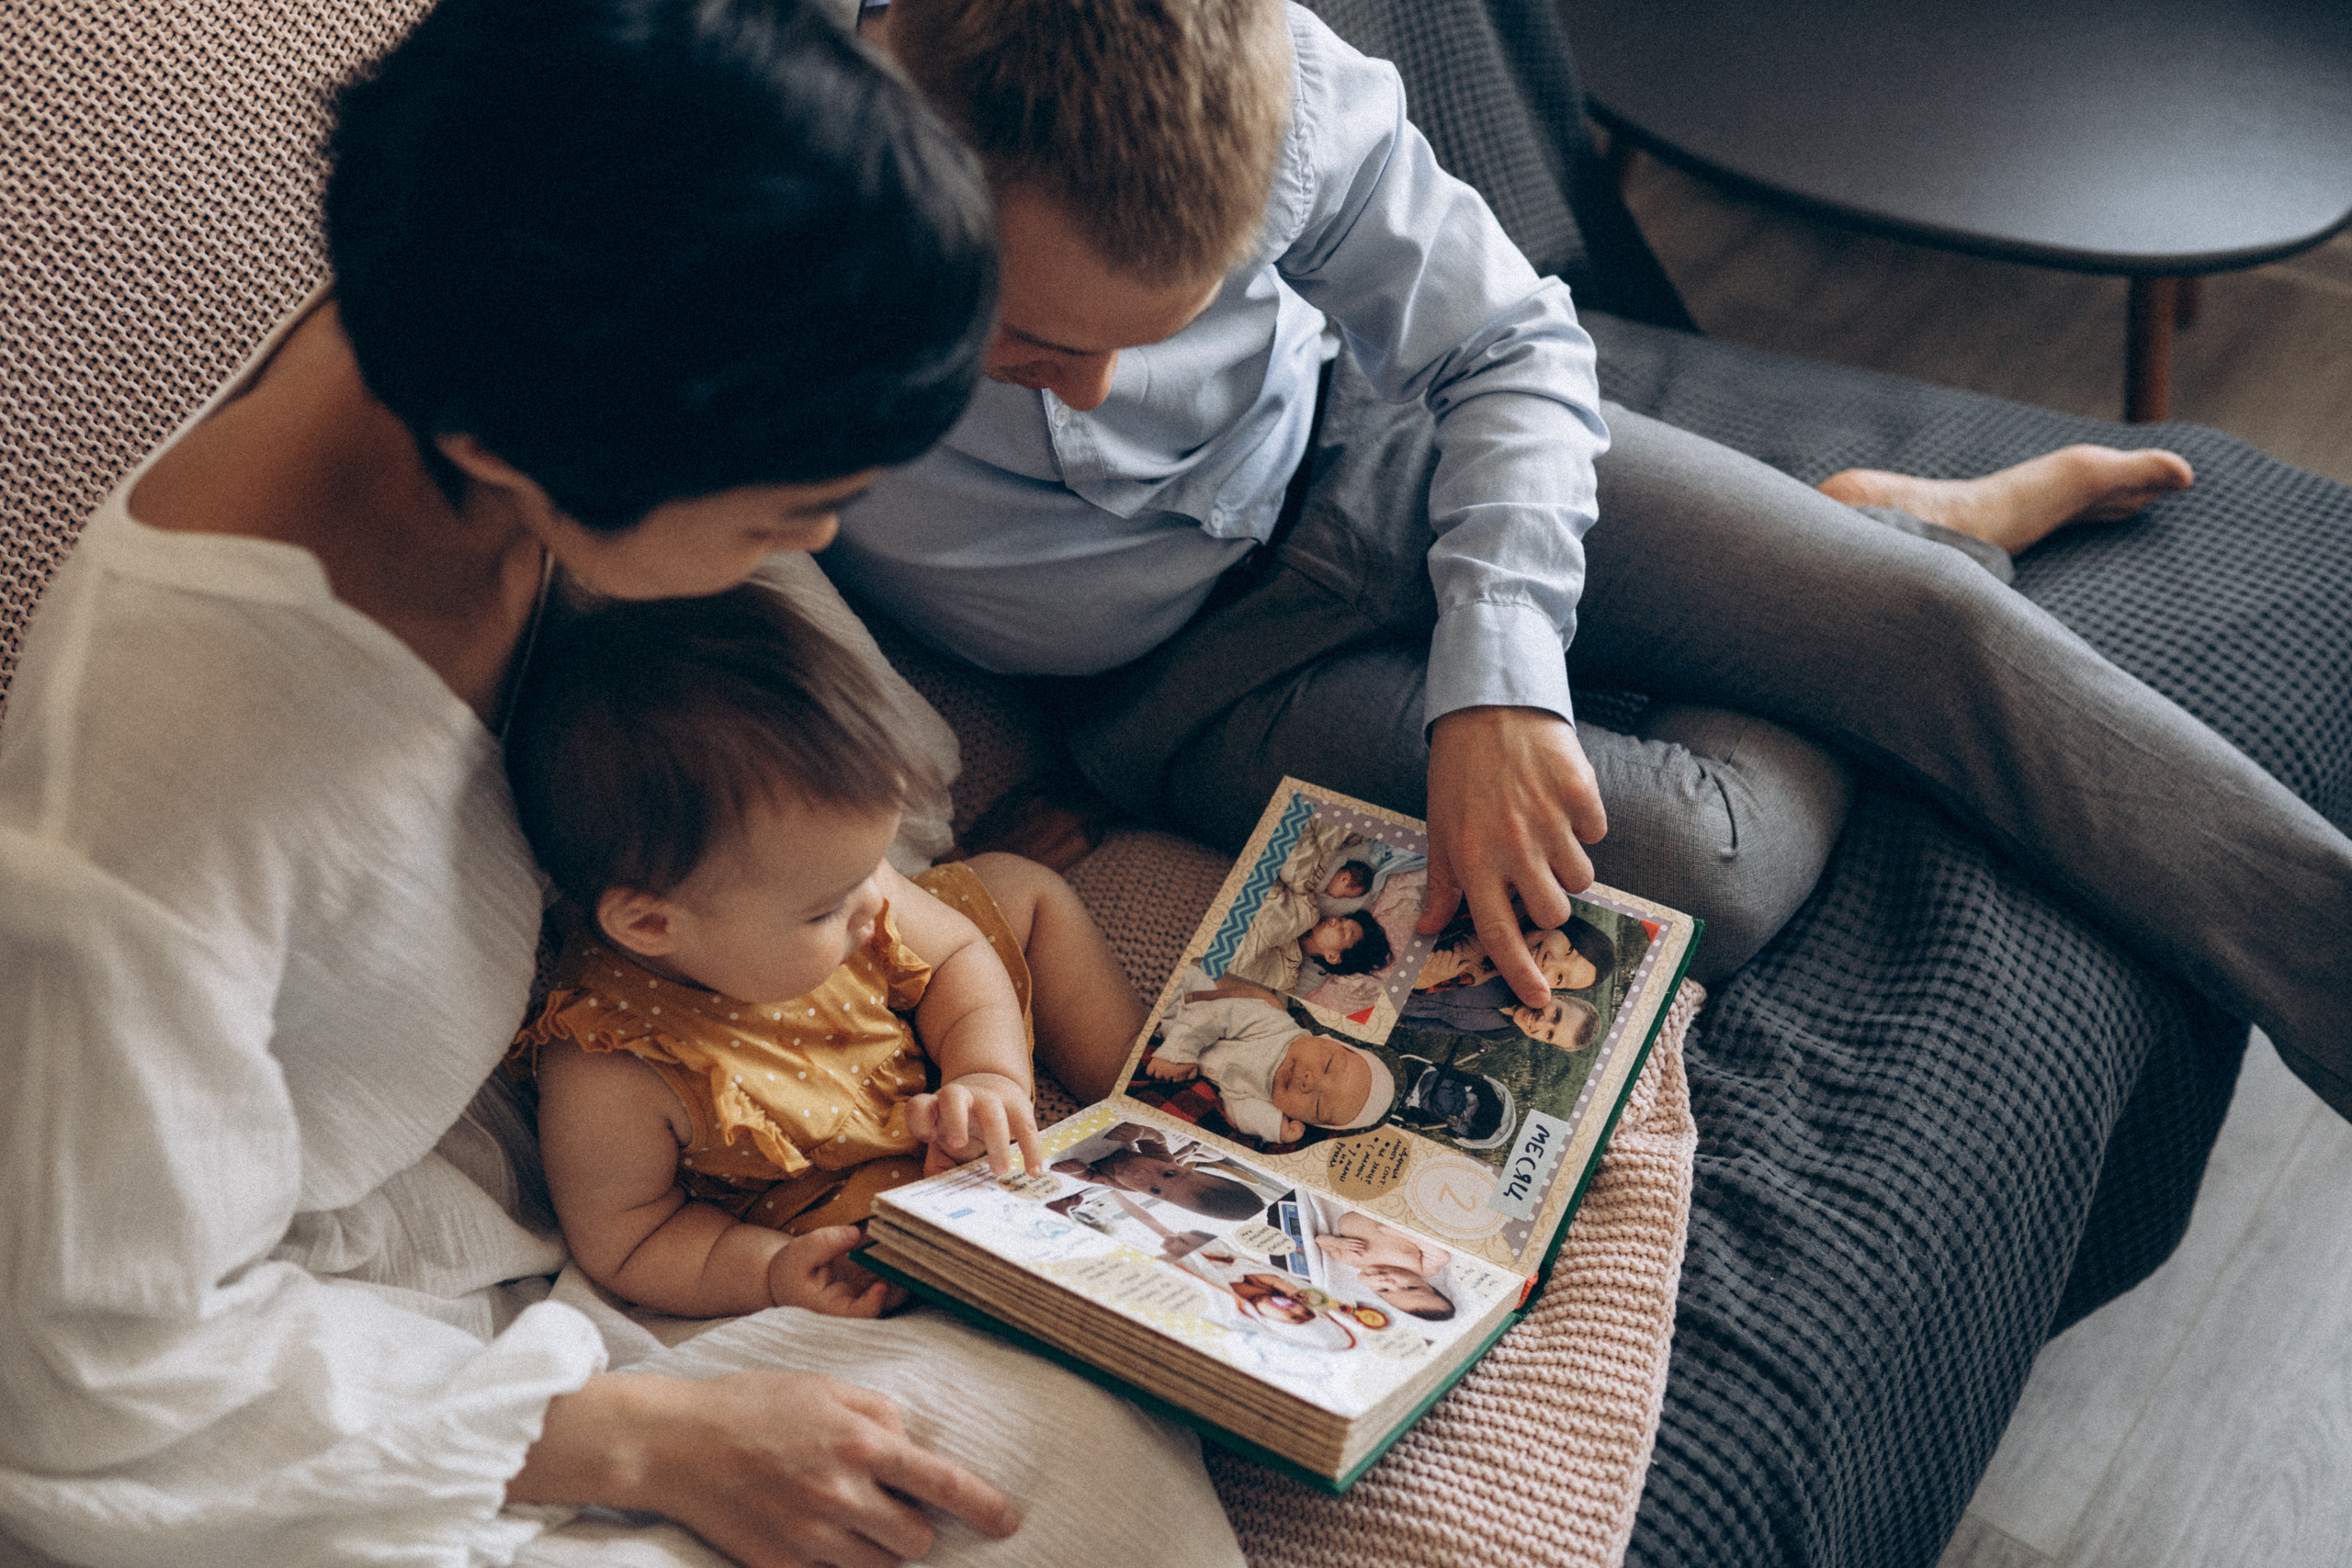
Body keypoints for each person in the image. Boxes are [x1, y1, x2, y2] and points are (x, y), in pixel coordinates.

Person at [0, 3, 1243, 1565]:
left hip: (609, 1118)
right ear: (510, 449)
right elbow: (83, 1374)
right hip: (339, 1340)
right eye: (790, 513)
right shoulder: (150, 820)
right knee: (1003, 1459)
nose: (804, 557)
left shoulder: (515, 276)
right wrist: (638, 1439)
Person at [832, 0, 2352, 1117]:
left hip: (1397, 453)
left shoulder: (1274, 80)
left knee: (1931, 627)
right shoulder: (766, 219)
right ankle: (1871, 517)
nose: (1093, 387)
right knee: (1710, 872)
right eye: (1027, 343)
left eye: (1148, 329)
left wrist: (1497, 677)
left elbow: (1503, 343)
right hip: (1195, 684)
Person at [502, 586, 1146, 1321]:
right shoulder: (611, 1065)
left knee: (1021, 891)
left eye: (871, 869)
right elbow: (632, 1238)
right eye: (828, 904)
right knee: (882, 1251)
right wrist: (769, 1271)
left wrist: (987, 1073)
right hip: (837, 1191)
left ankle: (1137, 1085)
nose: (876, 906)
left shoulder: (849, 896)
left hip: (934, 1073)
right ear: (651, 924)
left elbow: (960, 952)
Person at [1148, 987, 1396, 1143]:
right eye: (1329, 1065)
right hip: (1177, 1006)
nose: (1310, 1083)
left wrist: (1274, 1128)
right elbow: (1216, 1014)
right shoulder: (1276, 1026)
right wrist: (1179, 1053)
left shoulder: (1266, 1096)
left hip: (1155, 1038)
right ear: (1327, 1040)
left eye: (1318, 1105)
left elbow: (1238, 1110)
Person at [1311, 1213, 1457, 1323]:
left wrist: (1337, 1243)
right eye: (1410, 1288)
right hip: (1392, 1210)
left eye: (1384, 1290)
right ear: (1426, 1284)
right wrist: (1405, 1234)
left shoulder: (1355, 1259)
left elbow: (1320, 1241)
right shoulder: (1422, 1269)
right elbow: (1442, 1256)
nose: (1388, 1282)